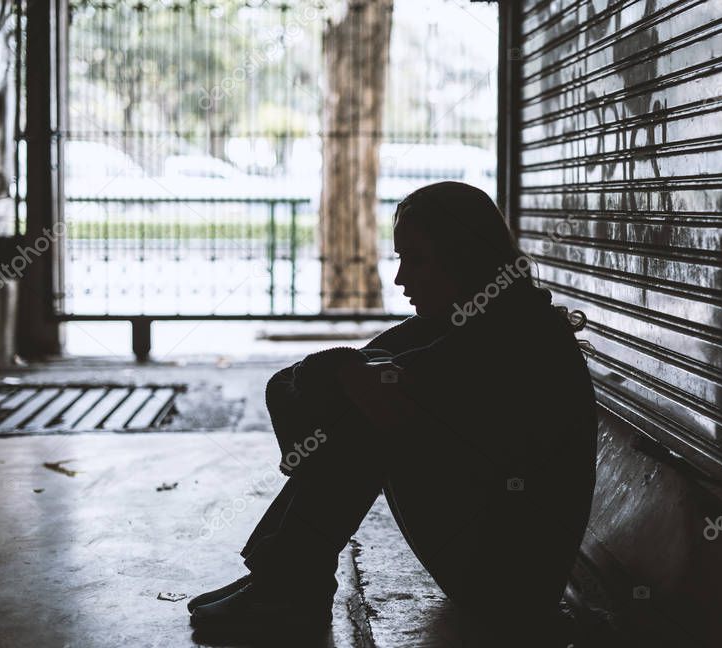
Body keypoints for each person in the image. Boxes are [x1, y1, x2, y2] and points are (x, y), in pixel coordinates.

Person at [188, 181, 598, 644]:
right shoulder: (460, 322)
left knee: (372, 410)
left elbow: (315, 394)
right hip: (487, 563)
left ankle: (289, 583)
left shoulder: (510, 337)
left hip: (509, 585)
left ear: (463, 255)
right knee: (368, 395)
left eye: (416, 259)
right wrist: (341, 374)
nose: (401, 279)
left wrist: (340, 380)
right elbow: (285, 384)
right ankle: (285, 577)